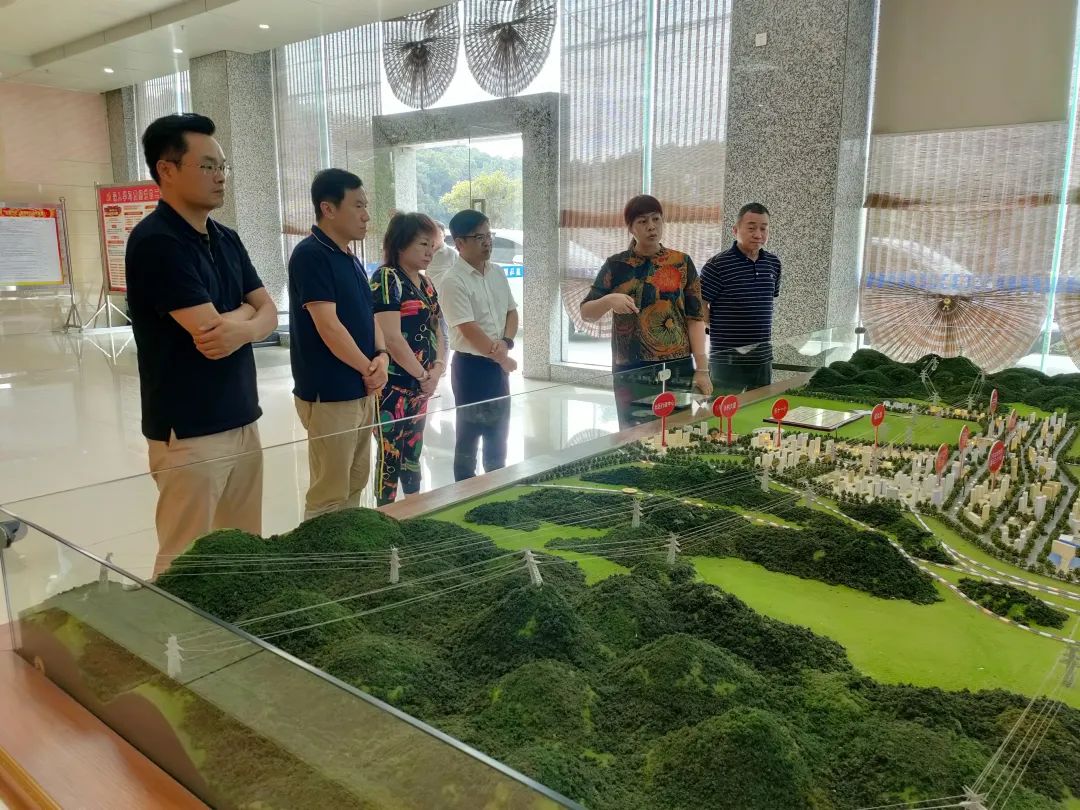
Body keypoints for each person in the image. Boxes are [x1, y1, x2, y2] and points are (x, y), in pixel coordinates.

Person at [126, 113, 278, 577]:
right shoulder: (156, 242)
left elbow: (270, 311)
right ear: (167, 169)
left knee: (242, 550)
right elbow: (210, 333)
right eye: (208, 165)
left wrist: (244, 326)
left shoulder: (226, 238)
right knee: (185, 563)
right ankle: (171, 628)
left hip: (242, 416)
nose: (220, 176)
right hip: (189, 430)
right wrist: (248, 316)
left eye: (222, 166)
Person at [288, 169, 390, 519]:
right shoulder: (311, 255)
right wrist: (369, 369)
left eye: (366, 206)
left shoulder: (350, 257)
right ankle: (320, 552)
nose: (366, 215)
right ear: (328, 209)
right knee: (329, 492)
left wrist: (382, 357)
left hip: (361, 387)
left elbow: (369, 315)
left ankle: (347, 547)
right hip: (330, 392)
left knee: (355, 481)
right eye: (358, 206)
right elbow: (328, 327)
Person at [579, 194, 712, 428]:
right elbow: (586, 313)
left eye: (656, 219)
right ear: (631, 228)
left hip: (676, 366)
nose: (651, 226)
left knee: (676, 433)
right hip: (631, 369)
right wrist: (609, 300)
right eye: (642, 221)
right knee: (634, 435)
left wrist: (701, 368)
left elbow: (695, 318)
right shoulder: (616, 265)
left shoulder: (681, 262)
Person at [370, 213, 447, 504]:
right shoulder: (387, 278)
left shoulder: (426, 283)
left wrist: (437, 368)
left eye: (432, 246)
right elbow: (391, 338)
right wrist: (423, 375)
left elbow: (438, 329)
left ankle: (415, 509)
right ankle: (386, 515)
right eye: (423, 244)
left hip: (421, 386)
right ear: (401, 244)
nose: (430, 252)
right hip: (392, 387)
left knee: (413, 451)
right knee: (390, 456)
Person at [439, 209, 518, 481]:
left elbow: (511, 312)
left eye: (488, 235)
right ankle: (465, 490)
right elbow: (468, 328)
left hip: (497, 366)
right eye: (479, 237)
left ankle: (496, 486)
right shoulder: (453, 280)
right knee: (469, 436)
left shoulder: (497, 273)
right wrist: (503, 358)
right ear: (459, 243)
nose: (488, 242)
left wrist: (506, 343)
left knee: (499, 432)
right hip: (471, 367)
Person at [700, 202, 782, 393]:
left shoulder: (773, 263)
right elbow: (700, 304)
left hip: (762, 357)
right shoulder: (717, 265)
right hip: (727, 358)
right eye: (751, 228)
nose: (758, 234)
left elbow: (767, 302)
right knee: (724, 407)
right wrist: (715, 326)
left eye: (763, 228)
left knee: (759, 407)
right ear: (735, 230)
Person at [424, 219, 459, 292]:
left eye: (438, 233)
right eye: (431, 234)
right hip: (427, 294)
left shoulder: (452, 253)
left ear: (444, 235)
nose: (434, 237)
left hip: (445, 293)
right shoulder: (423, 252)